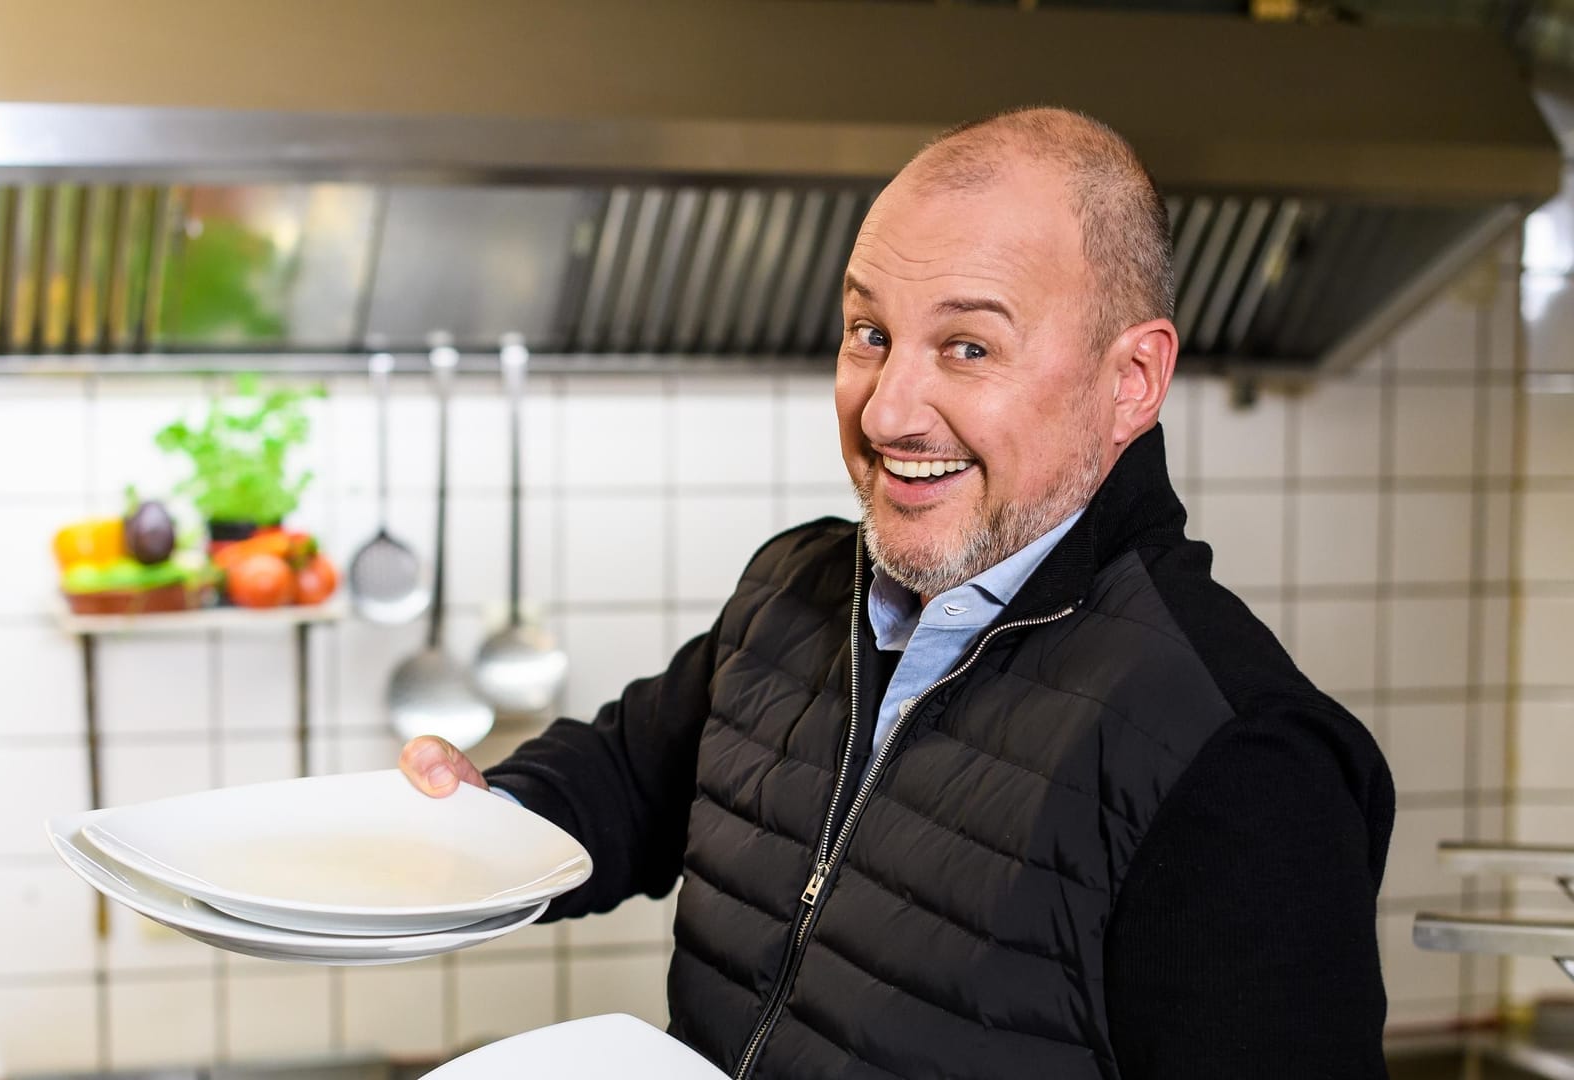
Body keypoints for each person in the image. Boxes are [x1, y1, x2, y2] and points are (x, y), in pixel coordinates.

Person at [399, 107, 1394, 1079]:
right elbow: (625, 778)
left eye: (968, 346)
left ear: (1131, 378)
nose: (887, 410)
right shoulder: (796, 591)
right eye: (869, 331)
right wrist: (485, 818)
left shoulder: (1240, 760)